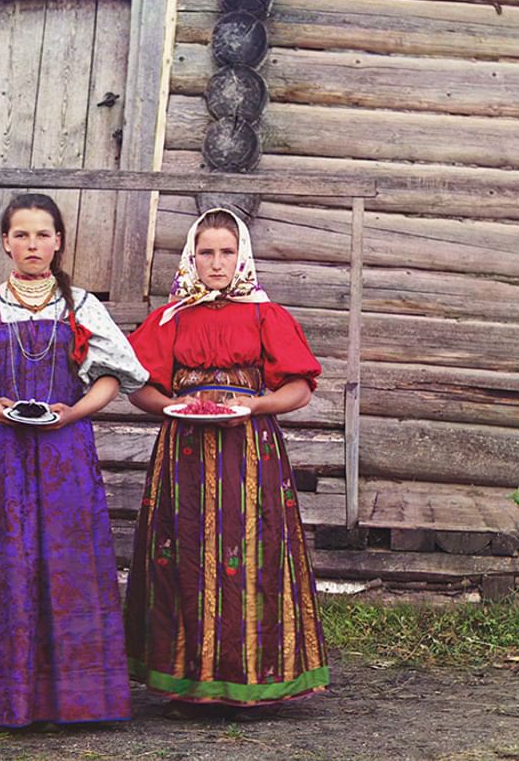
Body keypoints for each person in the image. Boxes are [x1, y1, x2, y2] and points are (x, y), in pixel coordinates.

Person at [0, 193, 149, 729]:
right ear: (5, 242)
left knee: (66, 563)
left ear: (59, 241)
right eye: (21, 234)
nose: (32, 244)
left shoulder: (83, 308)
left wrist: (72, 414)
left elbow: (112, 378)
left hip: (64, 454)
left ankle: (72, 702)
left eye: (42, 234)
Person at [124, 208, 329, 719]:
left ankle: (249, 681)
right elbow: (139, 387)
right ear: (192, 256)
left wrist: (254, 405)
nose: (216, 263)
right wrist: (173, 407)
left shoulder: (265, 314)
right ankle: (186, 682)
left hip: (248, 452)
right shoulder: (171, 317)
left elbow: (299, 388)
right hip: (185, 452)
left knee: (250, 556)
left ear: (243, 256)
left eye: (227, 252)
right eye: (207, 252)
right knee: (185, 553)